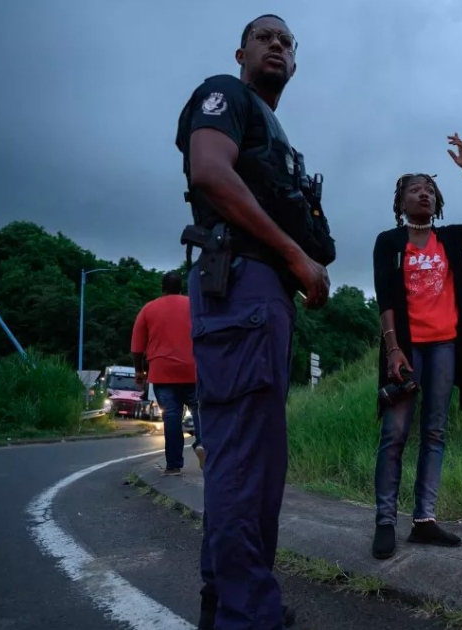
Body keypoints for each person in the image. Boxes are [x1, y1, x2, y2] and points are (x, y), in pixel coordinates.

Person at [175, 13, 335, 630]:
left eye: (287, 41)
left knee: (251, 460)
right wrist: (294, 255)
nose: (277, 45)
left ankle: (227, 600)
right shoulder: (227, 94)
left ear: (296, 62)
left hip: (262, 294)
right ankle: (247, 615)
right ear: (241, 51)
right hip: (240, 284)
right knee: (245, 462)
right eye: (265, 37)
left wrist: (303, 266)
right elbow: (209, 172)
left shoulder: (278, 133)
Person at [370, 133, 462, 560]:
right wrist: (393, 348)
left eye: (430, 189)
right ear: (400, 202)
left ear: (437, 202)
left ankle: (424, 520)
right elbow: (385, 297)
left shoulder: (452, 240)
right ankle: (385, 520)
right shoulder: (389, 242)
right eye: (414, 188)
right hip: (406, 349)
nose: (423, 192)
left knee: (434, 432)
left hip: (445, 348)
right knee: (396, 432)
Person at [130, 271, 203, 474]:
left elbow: (136, 348)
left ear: (162, 287)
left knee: (171, 416)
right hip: (193, 369)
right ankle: (202, 444)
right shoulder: (195, 306)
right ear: (181, 287)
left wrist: (139, 372)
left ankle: (173, 465)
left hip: (162, 372)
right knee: (199, 409)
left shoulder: (148, 309)